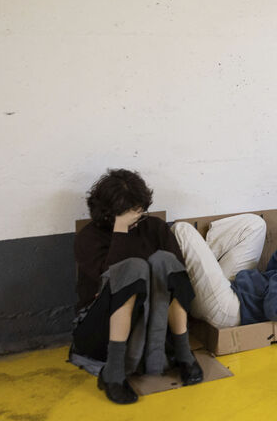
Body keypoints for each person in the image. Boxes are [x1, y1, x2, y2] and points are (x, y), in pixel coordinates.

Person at [71, 169, 203, 405]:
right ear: (109, 212)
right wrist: (120, 230)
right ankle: (113, 373)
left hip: (154, 319)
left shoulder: (155, 228)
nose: (137, 214)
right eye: (130, 210)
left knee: (166, 262)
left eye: (139, 208)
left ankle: (184, 354)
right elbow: (106, 280)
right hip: (101, 327)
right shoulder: (88, 238)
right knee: (132, 268)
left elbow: (179, 279)